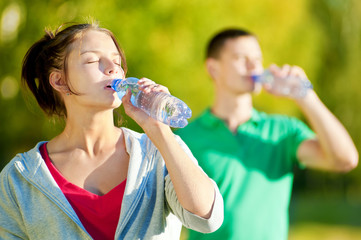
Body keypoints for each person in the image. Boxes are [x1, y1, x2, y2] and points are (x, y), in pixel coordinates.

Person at [0, 22, 224, 240]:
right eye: (93, 60)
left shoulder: (157, 152)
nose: (113, 68)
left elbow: (206, 218)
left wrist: (160, 130)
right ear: (59, 80)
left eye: (117, 62)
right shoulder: (19, 178)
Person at [176, 28, 359, 240]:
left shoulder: (283, 131)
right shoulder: (185, 139)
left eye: (257, 59)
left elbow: (345, 159)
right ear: (213, 69)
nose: (253, 66)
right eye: (241, 58)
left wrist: (305, 95)